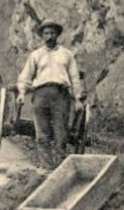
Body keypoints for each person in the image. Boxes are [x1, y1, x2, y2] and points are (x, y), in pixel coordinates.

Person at [17, 20, 86, 170]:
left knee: (61, 134)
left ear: (57, 35)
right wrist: (22, 93)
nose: (49, 36)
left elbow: (74, 77)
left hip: (61, 96)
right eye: (46, 33)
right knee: (42, 135)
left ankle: (60, 169)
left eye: (52, 33)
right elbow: (25, 76)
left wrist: (78, 99)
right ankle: (46, 168)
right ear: (42, 36)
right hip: (41, 94)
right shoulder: (36, 55)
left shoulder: (66, 54)